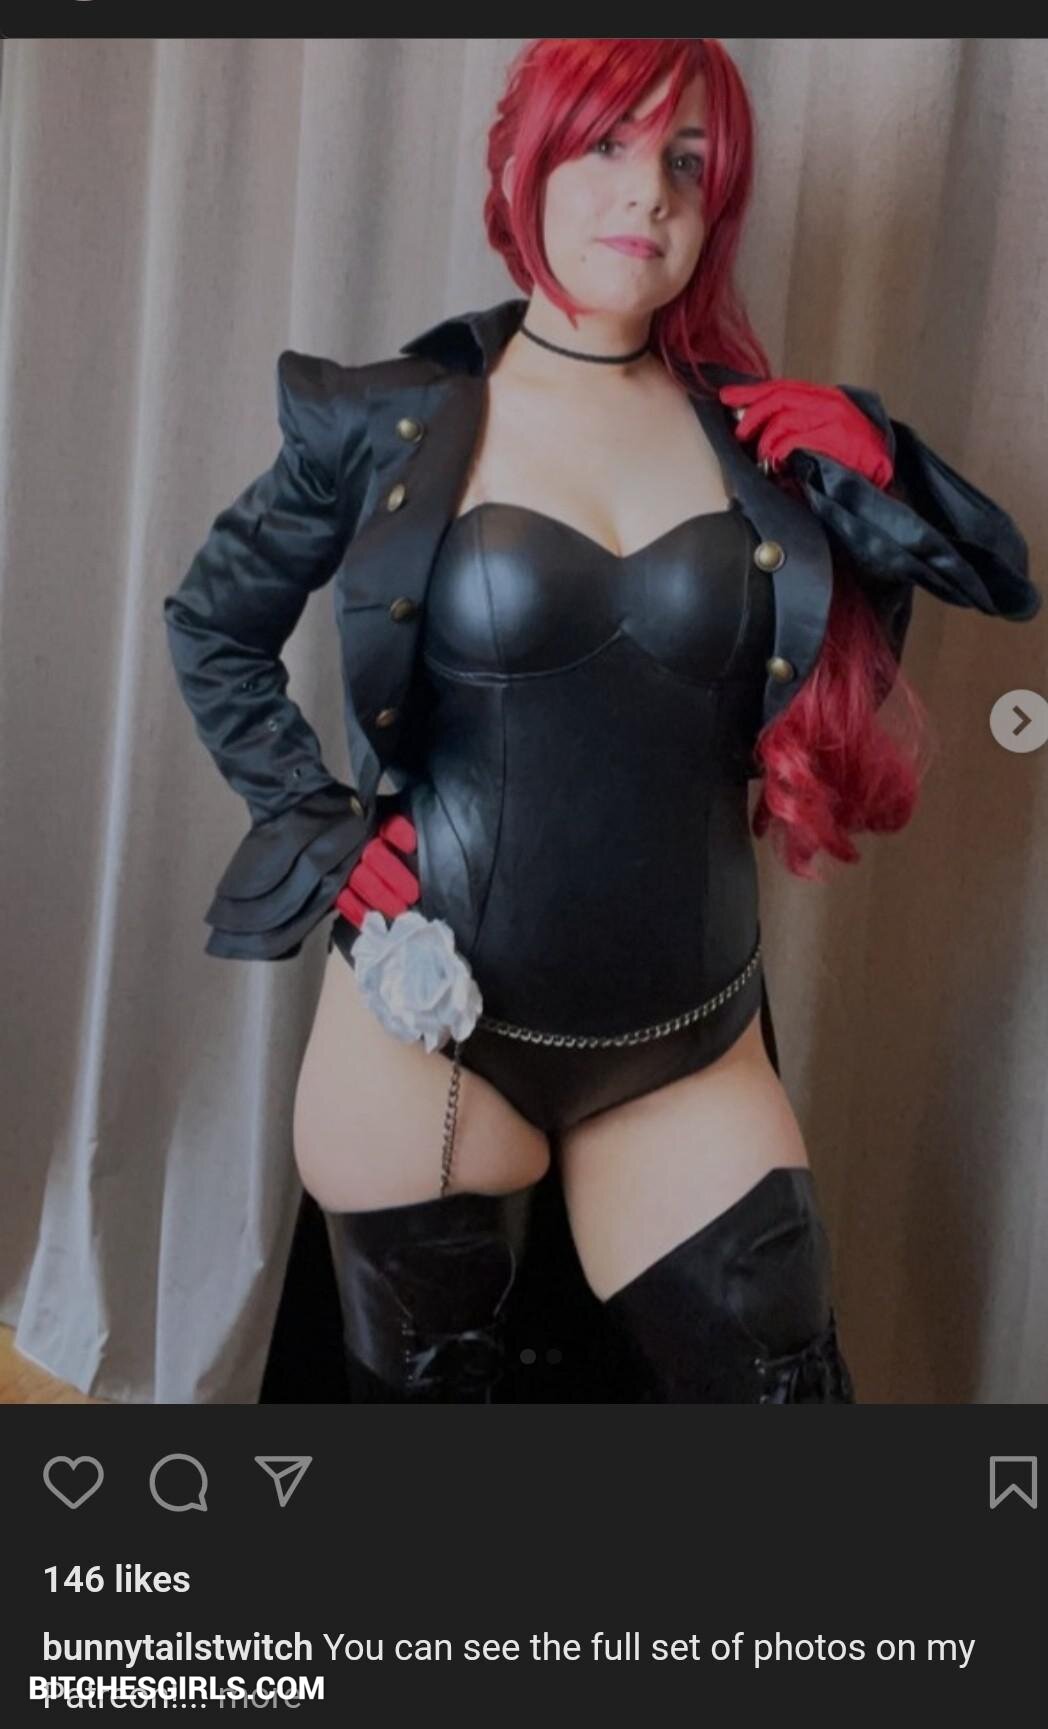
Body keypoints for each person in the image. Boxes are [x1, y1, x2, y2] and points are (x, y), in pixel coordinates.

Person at [163, 38, 1040, 1405]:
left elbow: (993, 583)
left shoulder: (757, 447)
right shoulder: (393, 424)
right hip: (429, 1039)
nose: (651, 193)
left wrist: (878, 466)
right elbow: (213, 622)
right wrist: (315, 823)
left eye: (689, 161)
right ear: (524, 161)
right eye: (608, 145)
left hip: (688, 1039)